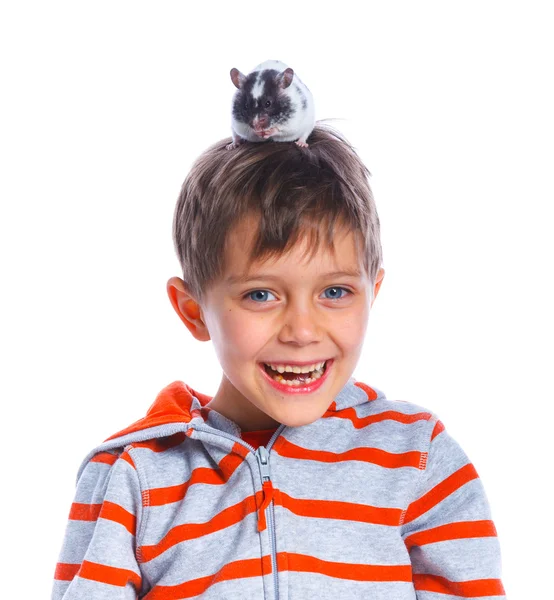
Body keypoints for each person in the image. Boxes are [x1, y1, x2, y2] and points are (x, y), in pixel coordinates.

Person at [51, 123, 506, 599]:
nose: (303, 331)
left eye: (335, 292)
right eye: (261, 294)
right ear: (193, 311)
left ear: (373, 293)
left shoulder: (418, 460)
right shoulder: (134, 476)